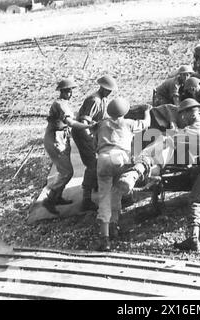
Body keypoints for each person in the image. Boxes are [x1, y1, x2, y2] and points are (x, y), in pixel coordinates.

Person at [117, 98, 200, 251]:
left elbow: (168, 141)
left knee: (195, 199)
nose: (181, 118)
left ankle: (193, 239)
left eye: (182, 115)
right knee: (197, 179)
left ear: (188, 115)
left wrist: (147, 153)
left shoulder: (192, 131)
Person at [94, 97, 152, 251]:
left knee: (104, 196)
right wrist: (147, 111)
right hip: (120, 158)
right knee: (117, 191)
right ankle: (114, 225)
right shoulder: (129, 123)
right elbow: (147, 123)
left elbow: (91, 136)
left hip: (104, 158)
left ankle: (104, 239)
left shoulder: (102, 123)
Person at [43, 78, 96, 215]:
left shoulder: (64, 103)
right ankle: (49, 200)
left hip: (61, 138)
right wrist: (88, 126)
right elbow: (70, 122)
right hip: (55, 139)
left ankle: (57, 197)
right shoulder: (60, 105)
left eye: (71, 91)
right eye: (67, 91)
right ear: (61, 91)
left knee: (64, 171)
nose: (70, 93)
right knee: (67, 172)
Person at [72, 75, 118, 211]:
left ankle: (95, 183)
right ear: (102, 88)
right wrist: (90, 139)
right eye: (108, 90)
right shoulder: (95, 100)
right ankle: (86, 199)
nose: (110, 92)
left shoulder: (103, 99)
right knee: (93, 164)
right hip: (82, 134)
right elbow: (84, 122)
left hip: (92, 133)